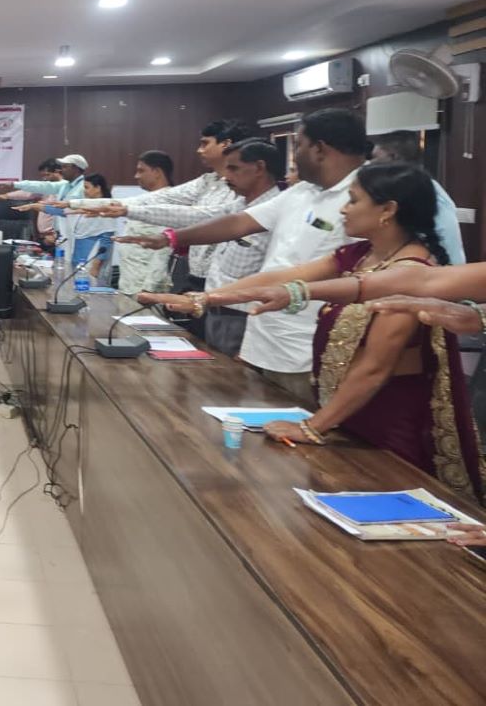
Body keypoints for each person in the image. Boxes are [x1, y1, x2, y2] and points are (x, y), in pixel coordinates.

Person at [164, 165, 485, 502]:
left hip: (384, 422)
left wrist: (312, 427)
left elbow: (374, 368)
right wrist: (205, 298)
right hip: (344, 412)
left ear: (387, 210)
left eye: (353, 200)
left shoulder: (411, 270)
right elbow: (284, 277)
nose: (344, 209)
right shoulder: (360, 255)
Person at [124, 109, 370, 399]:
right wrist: (171, 238)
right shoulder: (302, 191)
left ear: (319, 149)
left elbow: (343, 274)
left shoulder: (365, 196)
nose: (294, 156)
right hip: (268, 335)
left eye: (299, 145)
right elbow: (238, 223)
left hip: (311, 347)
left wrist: (206, 298)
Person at [118, 141, 283, 354]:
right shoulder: (240, 204)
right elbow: (197, 216)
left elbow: (279, 275)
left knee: (233, 371)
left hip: (247, 313)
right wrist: (160, 233)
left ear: (259, 168)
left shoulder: (280, 208)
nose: (226, 176)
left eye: (233, 169)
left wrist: (167, 238)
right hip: (217, 307)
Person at [75, 121, 253, 296]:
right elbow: (149, 200)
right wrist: (78, 204)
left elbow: (203, 216)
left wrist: (129, 211)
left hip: (221, 282)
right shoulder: (207, 181)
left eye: (205, 143)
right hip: (193, 277)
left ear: (226, 144)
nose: (199, 150)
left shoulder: (243, 192)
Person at [369, 130, 466, 264]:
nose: (370, 163)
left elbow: (444, 239)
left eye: (374, 157)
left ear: (393, 157)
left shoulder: (422, 191)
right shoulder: (405, 189)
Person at [114, 150, 175, 294]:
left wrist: (149, 289)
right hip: (129, 284)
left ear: (157, 172)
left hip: (145, 290)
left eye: (141, 171)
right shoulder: (147, 200)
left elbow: (165, 251)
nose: (136, 176)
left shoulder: (169, 202)